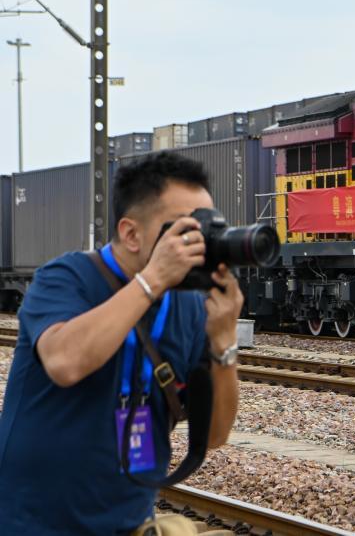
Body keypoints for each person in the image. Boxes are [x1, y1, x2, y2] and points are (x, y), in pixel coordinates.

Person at [0, 152, 243, 535]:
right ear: (131, 234)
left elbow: (214, 435)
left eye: (207, 229)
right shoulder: (65, 278)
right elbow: (65, 362)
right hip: (34, 523)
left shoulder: (190, 305)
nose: (199, 243)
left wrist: (225, 339)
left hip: (130, 522)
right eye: (184, 231)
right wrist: (151, 282)